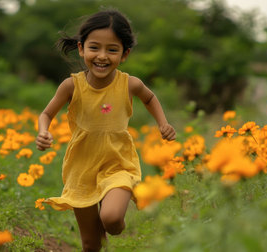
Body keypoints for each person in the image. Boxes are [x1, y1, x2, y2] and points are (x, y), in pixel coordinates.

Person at [35, 9, 176, 252]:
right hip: (81, 168)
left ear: (124, 54)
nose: (102, 56)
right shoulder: (71, 86)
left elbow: (150, 98)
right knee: (91, 245)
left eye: (112, 49)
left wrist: (162, 123)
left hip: (118, 164)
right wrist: (43, 131)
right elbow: (46, 113)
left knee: (110, 219)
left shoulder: (129, 83)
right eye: (94, 48)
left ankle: (117, 224)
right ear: (81, 48)